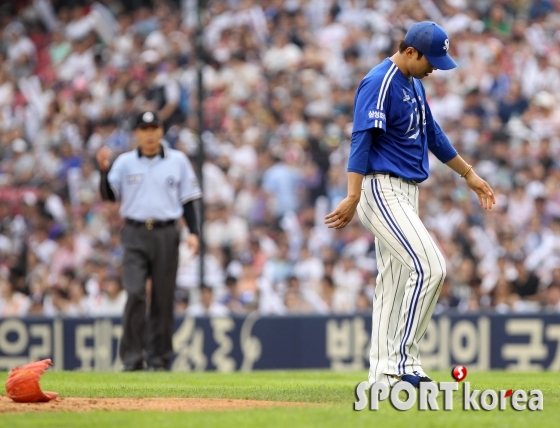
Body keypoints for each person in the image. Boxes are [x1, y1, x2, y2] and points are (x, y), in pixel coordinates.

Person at [324, 22, 496, 388]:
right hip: (381, 188)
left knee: (393, 284)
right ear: (410, 52)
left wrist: (468, 174)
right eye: (431, 60)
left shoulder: (414, 82)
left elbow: (432, 132)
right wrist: (353, 195)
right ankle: (403, 363)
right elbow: (361, 139)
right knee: (431, 266)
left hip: (405, 192)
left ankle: (380, 377)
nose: (436, 67)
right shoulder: (379, 80)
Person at [97, 110, 202, 371]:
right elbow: (110, 196)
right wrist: (103, 171)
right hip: (134, 232)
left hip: (167, 232)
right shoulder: (124, 162)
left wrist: (194, 232)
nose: (150, 134)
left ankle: (160, 359)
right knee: (135, 293)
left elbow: (189, 200)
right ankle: (132, 359)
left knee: (163, 298)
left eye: (154, 128)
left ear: (161, 131)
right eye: (144, 129)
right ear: (137, 134)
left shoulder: (178, 161)